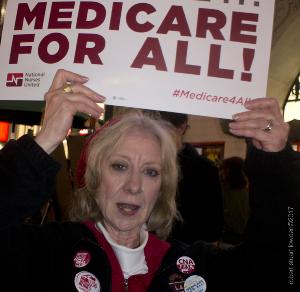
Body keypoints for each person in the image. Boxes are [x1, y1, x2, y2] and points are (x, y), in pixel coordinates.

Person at [0, 69, 299, 292]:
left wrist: (274, 164)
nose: (134, 186)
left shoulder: (194, 267)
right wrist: (43, 142)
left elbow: (279, 269)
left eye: (151, 172)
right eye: (119, 166)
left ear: (163, 188)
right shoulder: (45, 253)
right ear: (93, 178)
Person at [158, 111, 224, 244]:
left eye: (162, 127)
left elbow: (213, 226)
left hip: (187, 251)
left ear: (182, 128)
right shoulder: (145, 162)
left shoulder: (205, 169)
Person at [220, 156, 250, 244]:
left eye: (222, 169)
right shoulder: (249, 190)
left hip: (228, 237)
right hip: (246, 238)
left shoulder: (223, 189)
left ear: (228, 170)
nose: (221, 172)